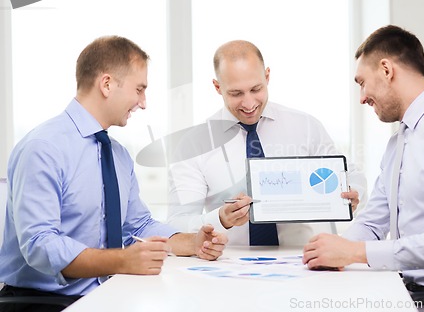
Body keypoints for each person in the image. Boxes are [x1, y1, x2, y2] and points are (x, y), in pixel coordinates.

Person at [0, 36, 227, 310]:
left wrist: (192, 242)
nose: (143, 103)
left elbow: (138, 226)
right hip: (42, 303)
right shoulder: (43, 148)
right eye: (139, 89)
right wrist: (121, 260)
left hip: (107, 295)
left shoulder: (117, 154)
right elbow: (39, 245)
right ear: (107, 84)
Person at [303, 25, 424, 311]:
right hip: (408, 293)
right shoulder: (399, 142)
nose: (361, 98)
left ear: (386, 69)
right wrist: (328, 252)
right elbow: (373, 223)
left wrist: (355, 252)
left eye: (361, 82)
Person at [166, 40, 366, 246]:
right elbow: (177, 224)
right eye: (236, 93)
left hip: (305, 261)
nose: (249, 103)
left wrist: (352, 192)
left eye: (256, 89)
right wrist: (220, 219)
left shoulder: (305, 127)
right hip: (230, 268)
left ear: (267, 76)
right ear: (218, 87)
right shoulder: (194, 145)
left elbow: (350, 174)